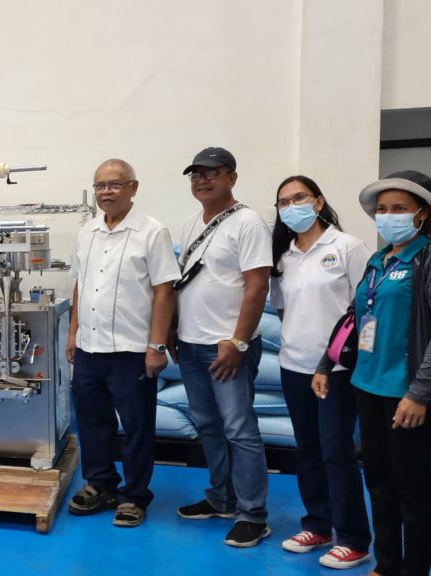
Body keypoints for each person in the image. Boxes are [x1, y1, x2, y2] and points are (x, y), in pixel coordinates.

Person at [314, 172, 431, 576]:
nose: (387, 216)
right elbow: (353, 318)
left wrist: (419, 393)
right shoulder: (378, 262)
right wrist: (326, 364)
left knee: (412, 488)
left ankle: (413, 569)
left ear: (422, 214)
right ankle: (386, 562)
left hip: (408, 392)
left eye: (399, 208)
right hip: (367, 385)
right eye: (382, 209)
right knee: (379, 481)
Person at [64, 159, 180, 527]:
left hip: (131, 350)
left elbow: (164, 290)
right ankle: (99, 483)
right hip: (89, 347)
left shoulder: (152, 232)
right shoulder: (88, 231)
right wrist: (72, 333)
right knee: (92, 421)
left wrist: (157, 345)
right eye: (100, 186)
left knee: (136, 425)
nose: (106, 192)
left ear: (133, 187)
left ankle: (134, 495)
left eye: (115, 185)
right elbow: (81, 284)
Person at [269, 175, 372, 568]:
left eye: (299, 198)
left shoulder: (346, 247)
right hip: (293, 365)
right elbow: (282, 310)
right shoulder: (285, 255)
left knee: (336, 451)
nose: (291, 206)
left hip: (336, 369)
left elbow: (365, 307)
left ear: (318, 201)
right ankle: (318, 524)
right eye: (283, 202)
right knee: (307, 450)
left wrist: (333, 359)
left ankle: (354, 538)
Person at [173, 147, 272, 548]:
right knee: (209, 425)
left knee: (239, 429)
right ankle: (221, 498)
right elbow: (185, 283)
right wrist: (176, 331)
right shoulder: (189, 224)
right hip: (191, 345)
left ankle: (254, 515)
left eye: (211, 173)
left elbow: (257, 285)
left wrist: (238, 341)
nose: (201, 179)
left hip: (227, 347)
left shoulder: (248, 223)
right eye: (195, 174)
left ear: (231, 176)